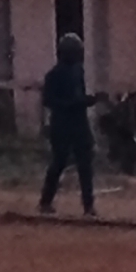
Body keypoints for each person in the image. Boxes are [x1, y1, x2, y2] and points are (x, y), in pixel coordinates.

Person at [38, 33, 102, 218]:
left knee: (85, 164)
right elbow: (48, 101)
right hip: (62, 123)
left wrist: (88, 100)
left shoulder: (78, 71)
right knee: (59, 162)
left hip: (79, 122)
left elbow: (78, 97)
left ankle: (88, 205)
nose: (78, 55)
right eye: (75, 52)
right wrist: (76, 103)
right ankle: (45, 201)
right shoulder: (53, 75)